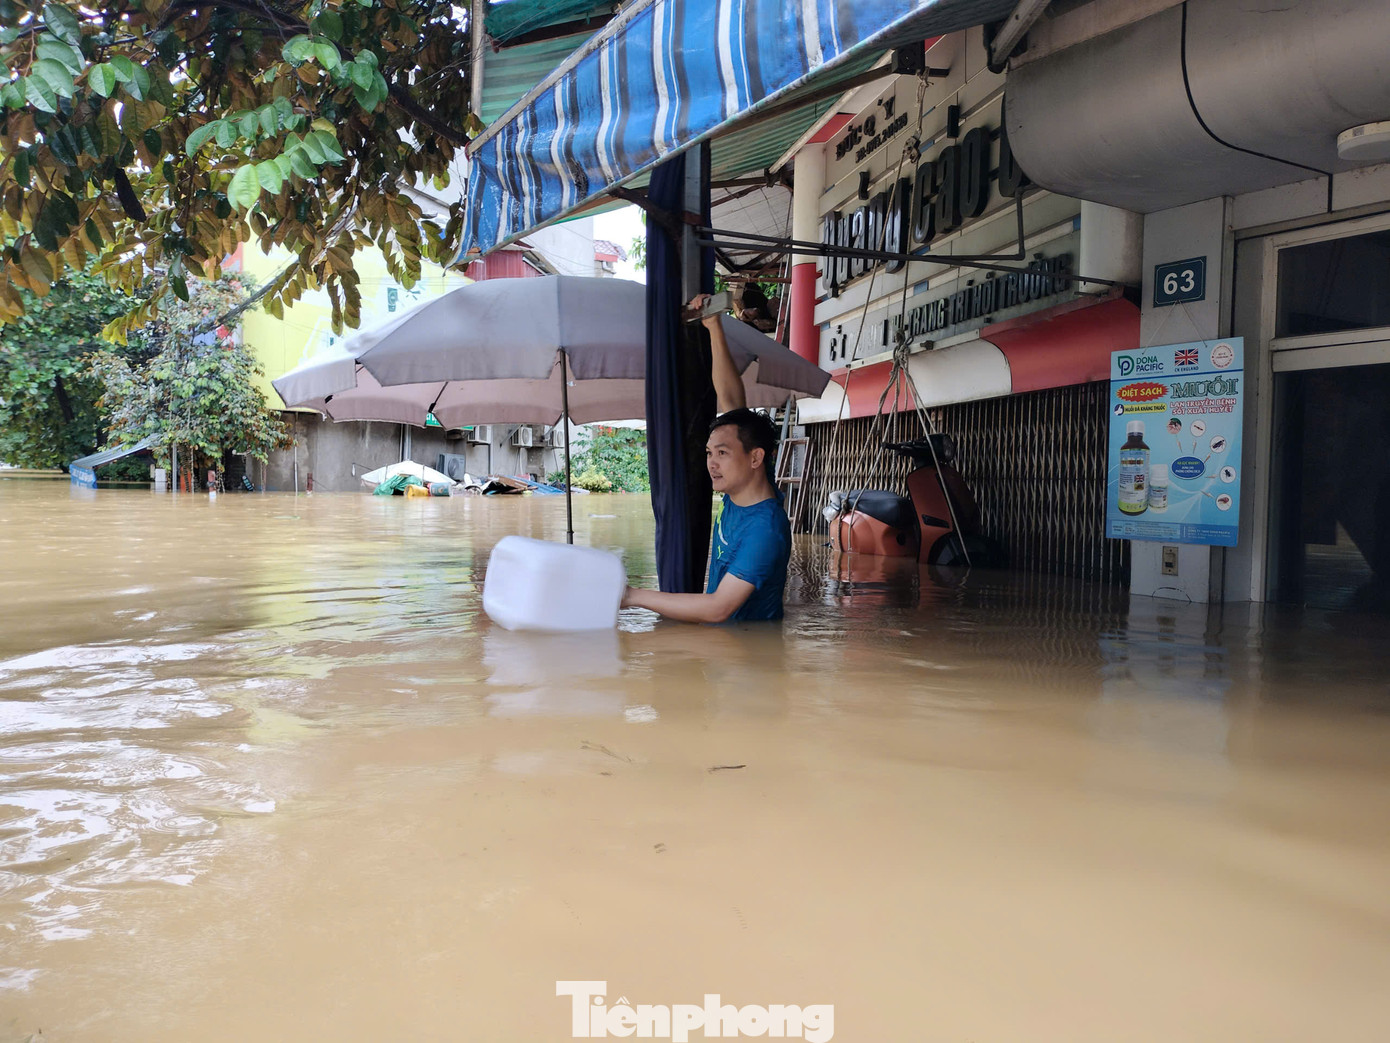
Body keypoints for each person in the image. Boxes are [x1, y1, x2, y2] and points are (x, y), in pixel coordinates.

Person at [621, 294, 792, 623]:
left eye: (723, 454)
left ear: (756, 458)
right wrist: (713, 325)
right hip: (723, 646)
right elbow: (731, 400)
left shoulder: (765, 530)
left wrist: (632, 597)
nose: (712, 463)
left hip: (747, 659)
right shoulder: (744, 490)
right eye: (710, 453)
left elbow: (718, 608)